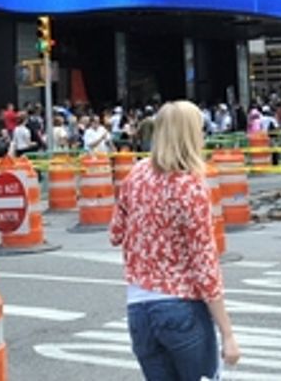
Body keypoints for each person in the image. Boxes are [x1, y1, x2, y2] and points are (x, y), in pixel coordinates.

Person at [109, 101, 240, 380]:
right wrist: (227, 333)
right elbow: (204, 264)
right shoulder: (190, 186)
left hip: (138, 306)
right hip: (181, 304)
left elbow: (115, 233)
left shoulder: (136, 174)